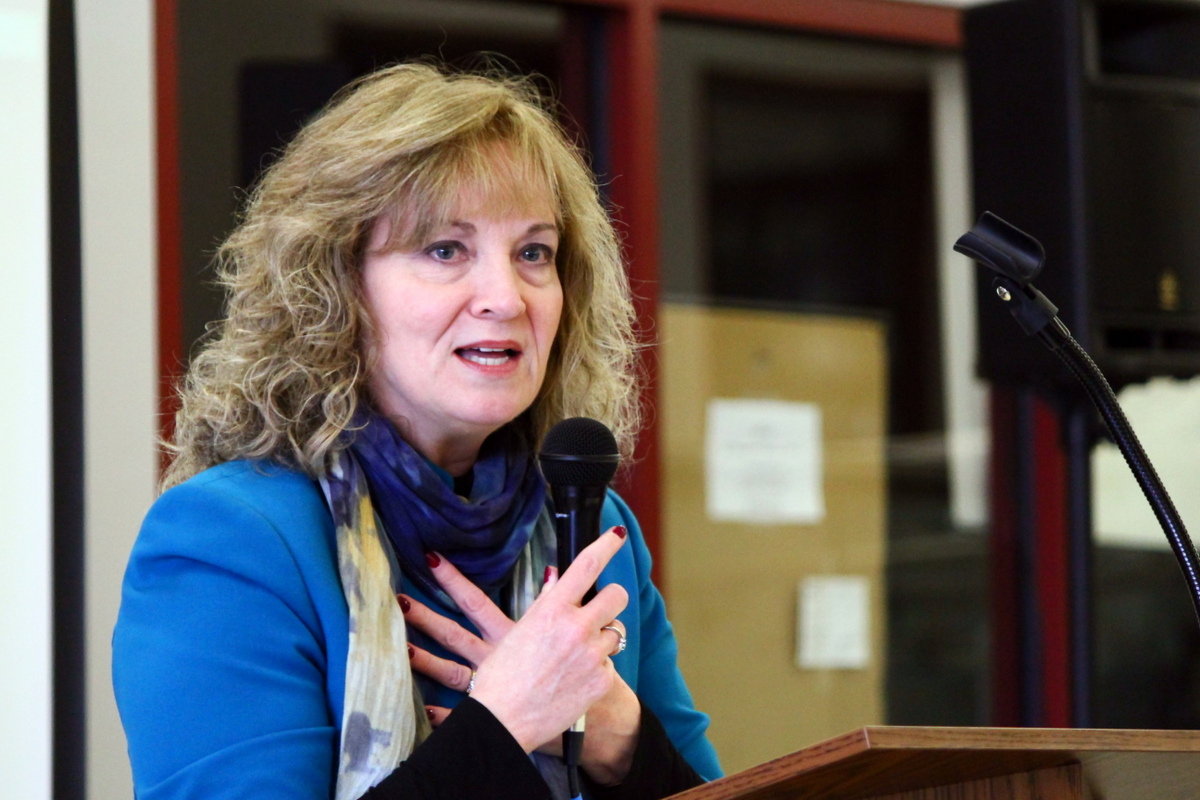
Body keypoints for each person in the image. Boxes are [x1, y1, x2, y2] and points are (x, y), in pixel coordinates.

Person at [112, 62, 721, 800]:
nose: (506, 297)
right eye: (445, 250)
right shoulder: (231, 539)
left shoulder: (597, 534)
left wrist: (620, 736)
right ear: (334, 288)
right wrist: (505, 721)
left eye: (534, 253)